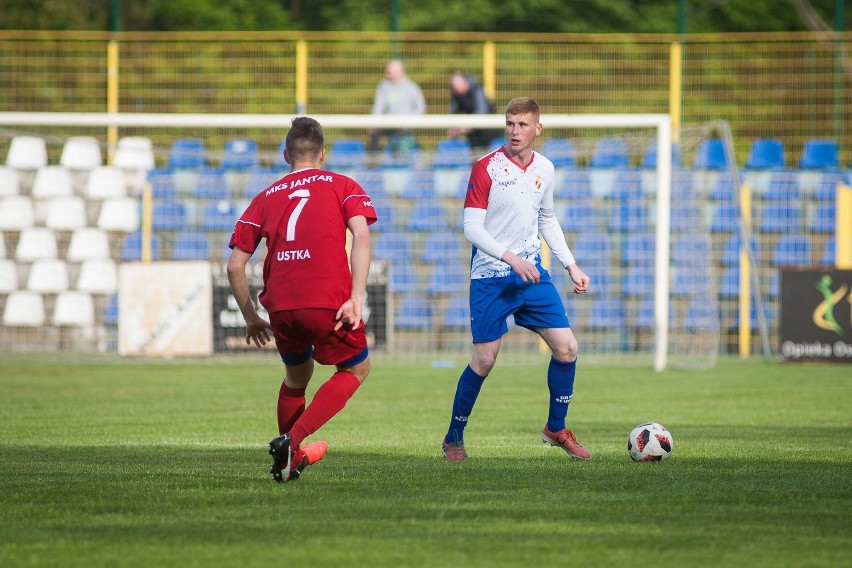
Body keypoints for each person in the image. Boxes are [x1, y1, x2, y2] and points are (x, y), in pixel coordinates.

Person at [441, 97, 592, 462]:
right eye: (510, 123)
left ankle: (556, 427)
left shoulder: (546, 168)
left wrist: (570, 264)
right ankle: (453, 438)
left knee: (567, 348)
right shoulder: (486, 168)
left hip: (531, 274)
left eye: (523, 125)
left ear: (537, 128)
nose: (515, 131)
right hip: (491, 277)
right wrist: (510, 258)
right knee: (485, 361)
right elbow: (471, 228)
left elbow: (547, 219)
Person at [227, 116, 377, 483]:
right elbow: (361, 236)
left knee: (298, 375)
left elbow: (234, 266)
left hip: (279, 305)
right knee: (357, 369)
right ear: (322, 155)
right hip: (325, 300)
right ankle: (291, 441)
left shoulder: (264, 198)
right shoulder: (343, 184)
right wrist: (356, 298)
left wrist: (251, 317)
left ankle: (285, 465)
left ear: (285, 155)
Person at [369, 59, 426, 155]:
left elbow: (421, 108)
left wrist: (409, 121)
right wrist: (373, 121)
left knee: (408, 143)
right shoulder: (384, 86)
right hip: (389, 125)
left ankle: (421, 160)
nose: (386, 72)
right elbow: (378, 107)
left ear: (399, 71)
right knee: (374, 132)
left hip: (406, 128)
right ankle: (373, 161)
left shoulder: (412, 87)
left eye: (389, 69)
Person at [449, 71, 502, 152]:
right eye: (453, 86)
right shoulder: (457, 95)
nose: (455, 88)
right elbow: (453, 112)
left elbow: (482, 112)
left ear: (464, 82)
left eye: (456, 85)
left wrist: (468, 126)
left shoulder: (477, 90)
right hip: (474, 134)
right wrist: (453, 127)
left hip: (489, 130)